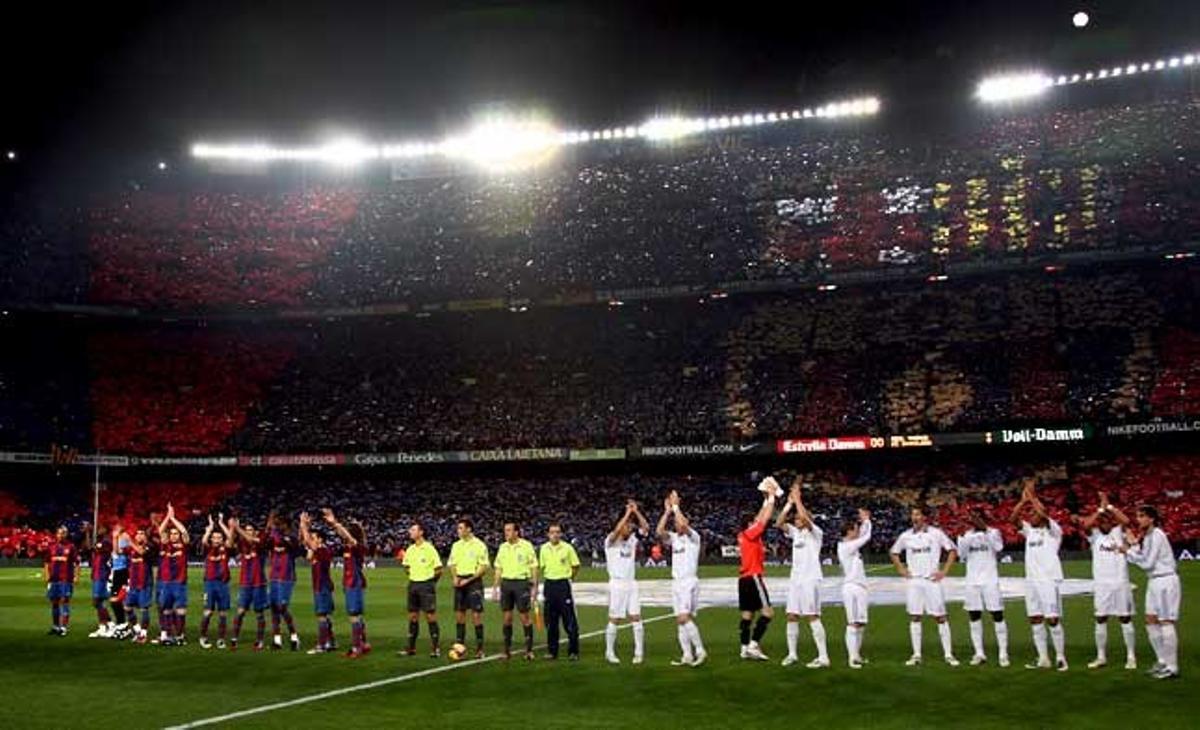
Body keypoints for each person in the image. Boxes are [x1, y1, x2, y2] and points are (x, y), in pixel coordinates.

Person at [890, 505, 959, 667]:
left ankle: (948, 654)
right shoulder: (906, 536)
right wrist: (901, 568)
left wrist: (944, 571)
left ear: (924, 517)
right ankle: (916, 654)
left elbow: (952, 550)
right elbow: (894, 552)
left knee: (940, 617)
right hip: (914, 581)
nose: (914, 517)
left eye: (918, 514)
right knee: (915, 616)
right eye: (913, 514)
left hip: (932, 580)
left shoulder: (936, 533)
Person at [1010, 479, 1067, 671]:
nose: (1030, 515)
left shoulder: (1053, 531)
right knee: (1035, 618)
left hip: (1049, 580)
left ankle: (1060, 657)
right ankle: (1043, 658)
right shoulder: (1030, 531)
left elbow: (1043, 513)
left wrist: (1033, 498)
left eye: (1033, 513)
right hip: (1031, 581)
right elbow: (1013, 519)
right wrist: (1022, 501)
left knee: (1052, 618)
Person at [1076, 493, 1137, 670]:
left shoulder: (1118, 532)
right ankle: (1101, 656)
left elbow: (1125, 521)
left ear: (1111, 522)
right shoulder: (1094, 536)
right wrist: (1100, 509)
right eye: (1100, 521)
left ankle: (1131, 656)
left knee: (1125, 618)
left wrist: (1109, 507)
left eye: (1106, 521)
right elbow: (1085, 524)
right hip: (1102, 584)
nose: (1103, 523)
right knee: (1100, 618)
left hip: (1120, 582)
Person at [1123, 505, 1181, 680]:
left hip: (1165, 580)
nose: (1138, 519)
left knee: (1166, 622)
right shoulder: (1147, 537)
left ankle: (1172, 667)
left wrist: (1129, 551)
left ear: (1151, 519)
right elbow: (1143, 558)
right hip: (1154, 581)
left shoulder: (1157, 536)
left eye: (1142, 516)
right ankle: (1162, 661)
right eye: (1137, 516)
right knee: (1150, 620)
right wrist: (1133, 547)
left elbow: (1147, 563)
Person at [775, 480, 829, 668]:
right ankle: (792, 654)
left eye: (798, 518)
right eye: (796, 518)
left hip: (810, 578)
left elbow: (806, 519)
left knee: (812, 615)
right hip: (796, 579)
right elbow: (779, 522)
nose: (796, 520)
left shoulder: (816, 533)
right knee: (791, 615)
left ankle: (823, 657)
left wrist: (798, 500)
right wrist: (789, 503)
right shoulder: (795, 533)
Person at [655, 490, 707, 667]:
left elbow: (684, 525)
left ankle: (700, 651)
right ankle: (687, 655)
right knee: (679, 620)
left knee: (684, 617)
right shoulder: (674, 538)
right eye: (675, 522)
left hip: (688, 581)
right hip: (676, 582)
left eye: (679, 521)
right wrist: (667, 511)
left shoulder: (694, 538)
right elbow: (659, 531)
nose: (677, 524)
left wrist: (676, 506)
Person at [956, 509, 1010, 667]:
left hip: (990, 580)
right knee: (974, 616)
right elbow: (962, 554)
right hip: (972, 581)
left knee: (997, 615)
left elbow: (999, 547)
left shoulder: (993, 532)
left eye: (977, 517)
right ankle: (979, 653)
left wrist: (985, 530)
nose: (975, 520)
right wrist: (962, 537)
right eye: (973, 518)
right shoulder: (966, 535)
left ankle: (1003, 653)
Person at [737, 478, 778, 661]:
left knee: (747, 615)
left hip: (744, 579)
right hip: (753, 577)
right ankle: (754, 644)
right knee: (768, 613)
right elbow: (764, 519)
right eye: (753, 520)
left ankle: (744, 648)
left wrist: (764, 498)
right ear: (749, 523)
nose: (756, 520)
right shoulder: (751, 533)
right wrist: (771, 498)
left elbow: (761, 517)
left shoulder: (744, 534)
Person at [604, 501, 648, 664]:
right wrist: (627, 514)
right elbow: (616, 531)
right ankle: (609, 652)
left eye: (630, 527)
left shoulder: (633, 541)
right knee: (615, 618)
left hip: (631, 583)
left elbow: (645, 528)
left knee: (636, 617)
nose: (629, 529)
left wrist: (636, 512)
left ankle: (639, 652)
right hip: (617, 584)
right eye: (627, 526)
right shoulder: (610, 541)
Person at [324, 508, 371, 658]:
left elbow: (347, 536)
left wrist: (334, 523)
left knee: (354, 615)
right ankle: (363, 643)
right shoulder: (349, 547)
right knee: (357, 615)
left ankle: (356, 648)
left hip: (354, 584)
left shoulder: (357, 547)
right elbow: (345, 536)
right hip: (350, 583)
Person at [493, 521, 539, 661]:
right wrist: (495, 587)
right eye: (505, 530)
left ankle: (529, 650)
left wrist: (535, 586)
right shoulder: (503, 547)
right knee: (507, 618)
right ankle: (506, 650)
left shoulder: (526, 546)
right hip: (506, 583)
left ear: (516, 532)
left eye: (509, 530)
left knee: (524, 617)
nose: (506, 533)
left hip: (521, 583)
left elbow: (534, 567)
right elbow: (498, 568)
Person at [447, 519, 490, 659]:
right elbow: (452, 564)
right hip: (460, 580)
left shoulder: (479, 545)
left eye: (460, 528)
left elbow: (483, 567)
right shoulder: (456, 545)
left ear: (469, 529)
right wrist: (454, 577)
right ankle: (460, 648)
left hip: (474, 582)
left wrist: (469, 580)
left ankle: (480, 649)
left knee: (476, 615)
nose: (458, 531)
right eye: (458, 528)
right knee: (459, 615)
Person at [539, 521, 581, 661]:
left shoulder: (568, 548)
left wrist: (569, 578)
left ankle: (573, 651)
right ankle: (552, 651)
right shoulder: (543, 549)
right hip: (549, 585)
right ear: (548, 534)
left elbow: (575, 566)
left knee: (569, 620)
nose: (555, 535)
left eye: (557, 532)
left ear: (561, 534)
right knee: (551, 621)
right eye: (552, 532)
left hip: (563, 585)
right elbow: (542, 567)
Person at [400, 520, 443, 657]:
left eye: (413, 530)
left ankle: (435, 648)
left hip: (426, 585)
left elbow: (439, 569)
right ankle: (411, 648)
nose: (410, 532)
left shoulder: (430, 549)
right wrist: (413, 575)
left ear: (421, 532)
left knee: (430, 616)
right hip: (413, 584)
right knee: (413, 616)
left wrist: (430, 581)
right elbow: (406, 566)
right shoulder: (410, 549)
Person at [837, 508, 872, 669]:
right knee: (852, 623)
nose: (857, 532)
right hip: (851, 587)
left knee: (861, 622)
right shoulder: (845, 546)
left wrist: (864, 522)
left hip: (860, 587)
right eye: (855, 529)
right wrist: (866, 521)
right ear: (849, 531)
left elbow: (863, 534)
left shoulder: (852, 545)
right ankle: (852, 658)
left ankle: (857, 655)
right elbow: (866, 536)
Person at [229, 516, 269, 651]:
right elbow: (230, 544)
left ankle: (260, 640)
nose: (248, 532)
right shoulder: (242, 544)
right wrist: (232, 529)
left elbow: (251, 539)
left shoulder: (260, 542)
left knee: (259, 613)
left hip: (259, 583)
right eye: (247, 530)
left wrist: (237, 528)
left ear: (255, 532)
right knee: (240, 612)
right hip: (245, 583)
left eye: (250, 530)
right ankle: (234, 639)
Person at [299, 511, 337, 654]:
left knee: (321, 616)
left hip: (322, 586)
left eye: (314, 538)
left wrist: (304, 525)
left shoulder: (323, 550)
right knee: (325, 615)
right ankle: (331, 642)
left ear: (320, 540)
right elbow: (308, 552)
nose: (312, 540)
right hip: (320, 586)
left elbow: (309, 544)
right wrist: (307, 529)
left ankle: (321, 645)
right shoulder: (317, 551)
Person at [266, 513, 302, 651]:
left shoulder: (291, 538)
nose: (277, 526)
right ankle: (277, 641)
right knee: (274, 608)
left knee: (282, 607)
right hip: (274, 576)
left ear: (286, 524)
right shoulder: (273, 535)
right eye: (276, 523)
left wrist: (286, 540)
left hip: (287, 577)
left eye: (279, 523)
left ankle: (294, 637)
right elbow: (265, 543)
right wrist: (269, 526)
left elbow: (297, 550)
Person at [156, 503, 190, 646]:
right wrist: (167, 517)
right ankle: (168, 635)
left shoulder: (184, 544)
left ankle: (180, 636)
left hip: (179, 582)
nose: (174, 536)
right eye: (172, 534)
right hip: (166, 582)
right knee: (167, 609)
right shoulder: (165, 544)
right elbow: (160, 530)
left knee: (181, 610)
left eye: (176, 534)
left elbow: (184, 532)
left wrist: (173, 518)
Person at [199, 514, 232, 650]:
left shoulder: (226, 548)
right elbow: (204, 541)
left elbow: (230, 537)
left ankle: (221, 639)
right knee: (208, 612)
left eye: (219, 538)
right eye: (215, 537)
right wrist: (210, 528)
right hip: (210, 584)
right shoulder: (208, 549)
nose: (217, 540)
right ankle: (203, 637)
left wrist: (222, 523)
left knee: (223, 613)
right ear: (212, 539)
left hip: (223, 584)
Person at [43, 525, 78, 636]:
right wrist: (47, 575)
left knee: (64, 601)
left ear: (66, 534)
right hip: (54, 579)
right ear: (56, 534)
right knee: (54, 602)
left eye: (63, 533)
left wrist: (76, 576)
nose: (61, 535)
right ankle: (55, 626)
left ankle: (63, 627)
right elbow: (46, 562)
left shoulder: (71, 547)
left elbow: (76, 563)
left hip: (66, 579)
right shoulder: (51, 547)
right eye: (59, 533)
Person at [82, 526, 114, 639]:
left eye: (101, 527)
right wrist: (87, 533)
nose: (99, 529)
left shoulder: (107, 542)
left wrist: (89, 533)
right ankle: (104, 625)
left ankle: (108, 624)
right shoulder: (101, 542)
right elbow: (88, 548)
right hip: (97, 574)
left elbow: (93, 548)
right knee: (98, 602)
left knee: (97, 601)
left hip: (102, 575)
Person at [125, 526, 155, 644]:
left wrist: (130, 541)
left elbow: (141, 552)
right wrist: (116, 537)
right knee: (127, 607)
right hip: (133, 583)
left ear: (145, 537)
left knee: (144, 609)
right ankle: (137, 630)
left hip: (145, 583)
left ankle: (143, 634)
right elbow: (118, 552)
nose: (139, 536)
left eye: (142, 533)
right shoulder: (131, 549)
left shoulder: (149, 547)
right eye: (137, 534)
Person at [109, 522, 133, 639]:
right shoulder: (120, 537)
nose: (115, 529)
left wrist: (115, 538)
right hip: (116, 571)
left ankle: (123, 625)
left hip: (122, 572)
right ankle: (121, 625)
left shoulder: (125, 537)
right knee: (115, 601)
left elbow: (117, 552)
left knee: (116, 600)